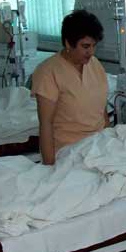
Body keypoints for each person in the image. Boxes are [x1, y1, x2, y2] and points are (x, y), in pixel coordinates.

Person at [31, 10, 109, 165]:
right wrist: (49, 168)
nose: (91, 52)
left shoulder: (95, 65)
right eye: (85, 46)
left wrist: (110, 143)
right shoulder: (48, 72)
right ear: (68, 43)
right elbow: (46, 124)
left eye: (94, 46)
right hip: (70, 152)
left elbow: (103, 112)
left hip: (99, 146)